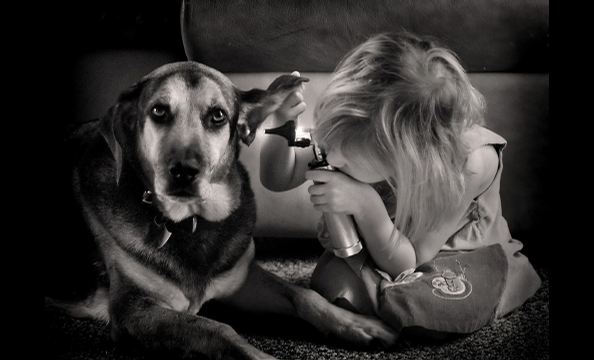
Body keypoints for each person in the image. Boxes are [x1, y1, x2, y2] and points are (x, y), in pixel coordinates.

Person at [260, 32, 541, 337]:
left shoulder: (471, 164)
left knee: (439, 303)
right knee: (332, 286)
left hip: (451, 257)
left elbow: (412, 261)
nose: (331, 155)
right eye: (327, 141)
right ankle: (389, 303)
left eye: (347, 159)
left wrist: (367, 205)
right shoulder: (346, 135)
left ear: (406, 160)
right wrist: (279, 124)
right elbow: (278, 178)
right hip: (381, 249)